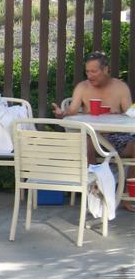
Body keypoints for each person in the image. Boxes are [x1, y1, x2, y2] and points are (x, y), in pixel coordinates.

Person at [52, 51, 134, 209]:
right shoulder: (82, 87)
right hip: (93, 139)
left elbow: (130, 115)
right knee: (87, 141)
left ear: (105, 70)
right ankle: (93, 189)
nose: (90, 75)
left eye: (94, 71)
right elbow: (72, 111)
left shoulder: (120, 87)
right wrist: (62, 114)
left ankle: (128, 197)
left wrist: (119, 115)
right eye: (87, 71)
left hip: (116, 138)